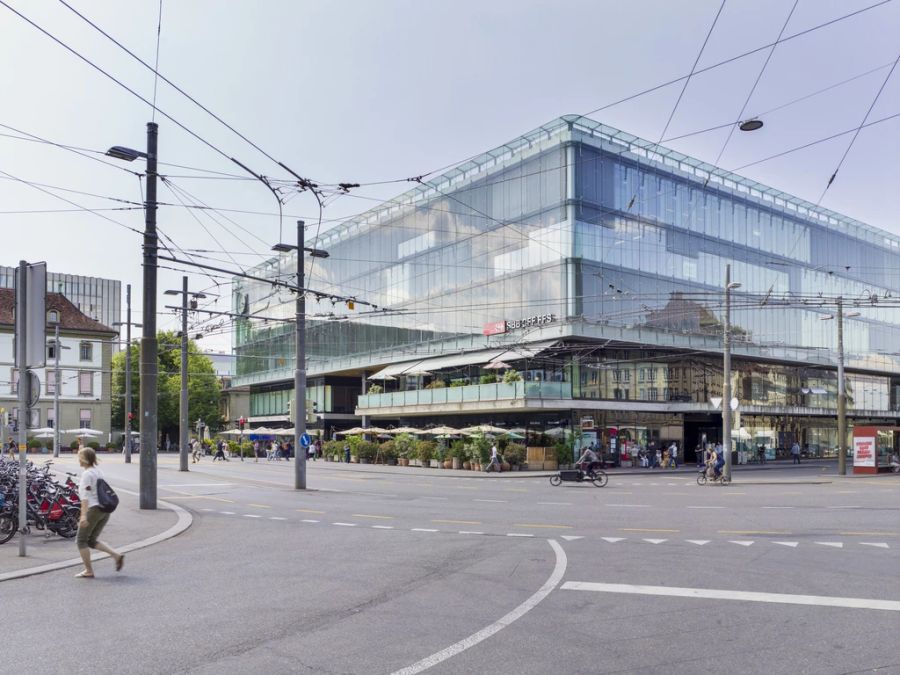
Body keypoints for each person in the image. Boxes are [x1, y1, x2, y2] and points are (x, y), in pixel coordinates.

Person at [74, 447, 123, 578]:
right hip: (104, 510)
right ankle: (116, 555)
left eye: (79, 457)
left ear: (83, 459)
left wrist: (83, 515)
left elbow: (85, 497)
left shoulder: (87, 474)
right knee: (91, 540)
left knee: (81, 540)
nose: (78, 460)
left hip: (93, 510)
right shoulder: (98, 471)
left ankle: (88, 570)